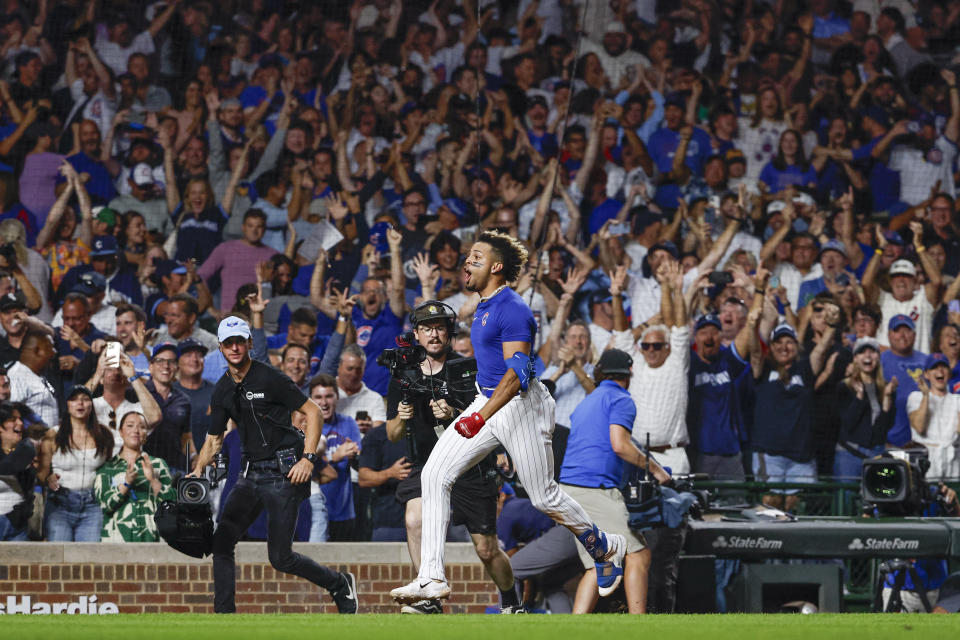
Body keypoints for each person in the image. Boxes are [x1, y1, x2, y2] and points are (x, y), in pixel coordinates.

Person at [391, 231, 629, 605]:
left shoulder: (513, 308)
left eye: (476, 257)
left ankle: (604, 545)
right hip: (488, 401)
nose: (467, 262)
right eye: (468, 256)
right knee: (434, 473)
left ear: (496, 267)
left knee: (544, 497)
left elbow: (518, 374)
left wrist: (479, 417)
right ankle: (431, 579)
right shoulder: (482, 303)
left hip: (520, 407)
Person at [190, 317, 357, 614]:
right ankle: (224, 615)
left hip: (285, 473)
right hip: (250, 473)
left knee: (280, 558)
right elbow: (214, 439)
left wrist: (308, 458)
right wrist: (198, 469)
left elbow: (313, 412)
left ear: (250, 343)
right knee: (222, 540)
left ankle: (339, 584)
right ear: (221, 347)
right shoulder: (222, 391)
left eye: (240, 341)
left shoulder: (270, 377)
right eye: (228, 343)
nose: (235, 347)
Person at [387, 300, 519, 614]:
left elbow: (492, 418)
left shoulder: (469, 370)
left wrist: (454, 414)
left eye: (440, 328)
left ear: (449, 333)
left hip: (469, 466)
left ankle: (513, 602)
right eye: (426, 329)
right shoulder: (403, 374)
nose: (433, 334)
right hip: (426, 465)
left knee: (486, 550)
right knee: (414, 519)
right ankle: (428, 597)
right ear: (417, 334)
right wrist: (401, 417)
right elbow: (391, 433)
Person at [559, 348, 670, 613]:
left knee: (600, 563)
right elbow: (619, 445)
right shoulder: (621, 398)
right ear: (628, 374)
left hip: (569, 490)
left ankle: (575, 627)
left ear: (600, 373)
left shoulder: (588, 400)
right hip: (593, 488)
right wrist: (656, 470)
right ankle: (637, 623)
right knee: (639, 554)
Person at [38, 385, 113, 541]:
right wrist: (48, 478)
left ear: (92, 405)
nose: (80, 403)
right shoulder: (53, 434)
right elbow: (41, 473)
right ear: (67, 404)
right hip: (60, 503)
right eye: (74, 399)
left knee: (89, 560)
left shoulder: (104, 434)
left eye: (85, 399)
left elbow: (110, 469)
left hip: (93, 504)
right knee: (60, 558)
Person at [93, 411, 175, 542]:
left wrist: (153, 481)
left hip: (152, 537)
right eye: (130, 425)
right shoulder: (107, 468)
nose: (136, 430)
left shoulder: (158, 464)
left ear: (146, 433)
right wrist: (126, 483)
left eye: (142, 427)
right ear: (120, 431)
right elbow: (106, 505)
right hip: (116, 539)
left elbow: (171, 503)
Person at [833, 338, 897, 479]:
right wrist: (859, 398)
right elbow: (847, 424)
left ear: (878, 358)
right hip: (849, 454)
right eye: (862, 352)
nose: (867, 356)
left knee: (877, 500)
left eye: (872, 351)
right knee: (846, 499)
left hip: (875, 454)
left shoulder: (885, 388)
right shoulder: (844, 387)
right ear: (855, 358)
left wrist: (887, 400)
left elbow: (882, 431)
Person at [310, 374, 362, 542]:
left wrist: (354, 455)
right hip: (312, 510)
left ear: (337, 398)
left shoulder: (348, 423)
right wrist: (334, 456)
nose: (324, 403)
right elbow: (306, 468)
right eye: (318, 397)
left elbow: (359, 465)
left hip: (344, 512)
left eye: (328, 396)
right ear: (310, 400)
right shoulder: (305, 427)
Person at [907, 353, 960, 480]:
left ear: (949, 373)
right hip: (926, 460)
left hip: (952, 461)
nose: (940, 370)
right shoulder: (916, 397)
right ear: (927, 374)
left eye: (944, 367)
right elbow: (919, 427)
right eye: (935, 368)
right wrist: (926, 395)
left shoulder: (957, 399)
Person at [0, 402, 37, 540]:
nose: (20, 423)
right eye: (12, 419)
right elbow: (7, 467)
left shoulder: (27, 448)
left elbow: (9, 468)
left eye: (20, 419)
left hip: (16, 523)